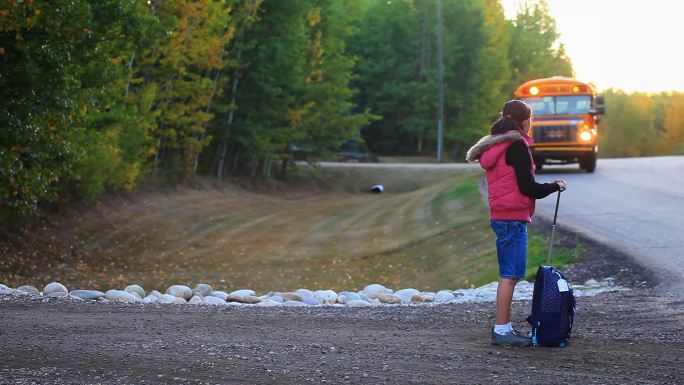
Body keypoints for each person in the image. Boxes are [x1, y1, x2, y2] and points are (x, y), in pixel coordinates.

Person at [466, 100, 567, 347]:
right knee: (510, 275)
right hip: (512, 218)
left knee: (508, 274)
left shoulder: (498, 145)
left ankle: (504, 327)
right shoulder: (516, 146)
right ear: (524, 121)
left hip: (502, 214)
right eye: (530, 119)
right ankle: (501, 330)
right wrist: (555, 186)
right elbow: (528, 187)